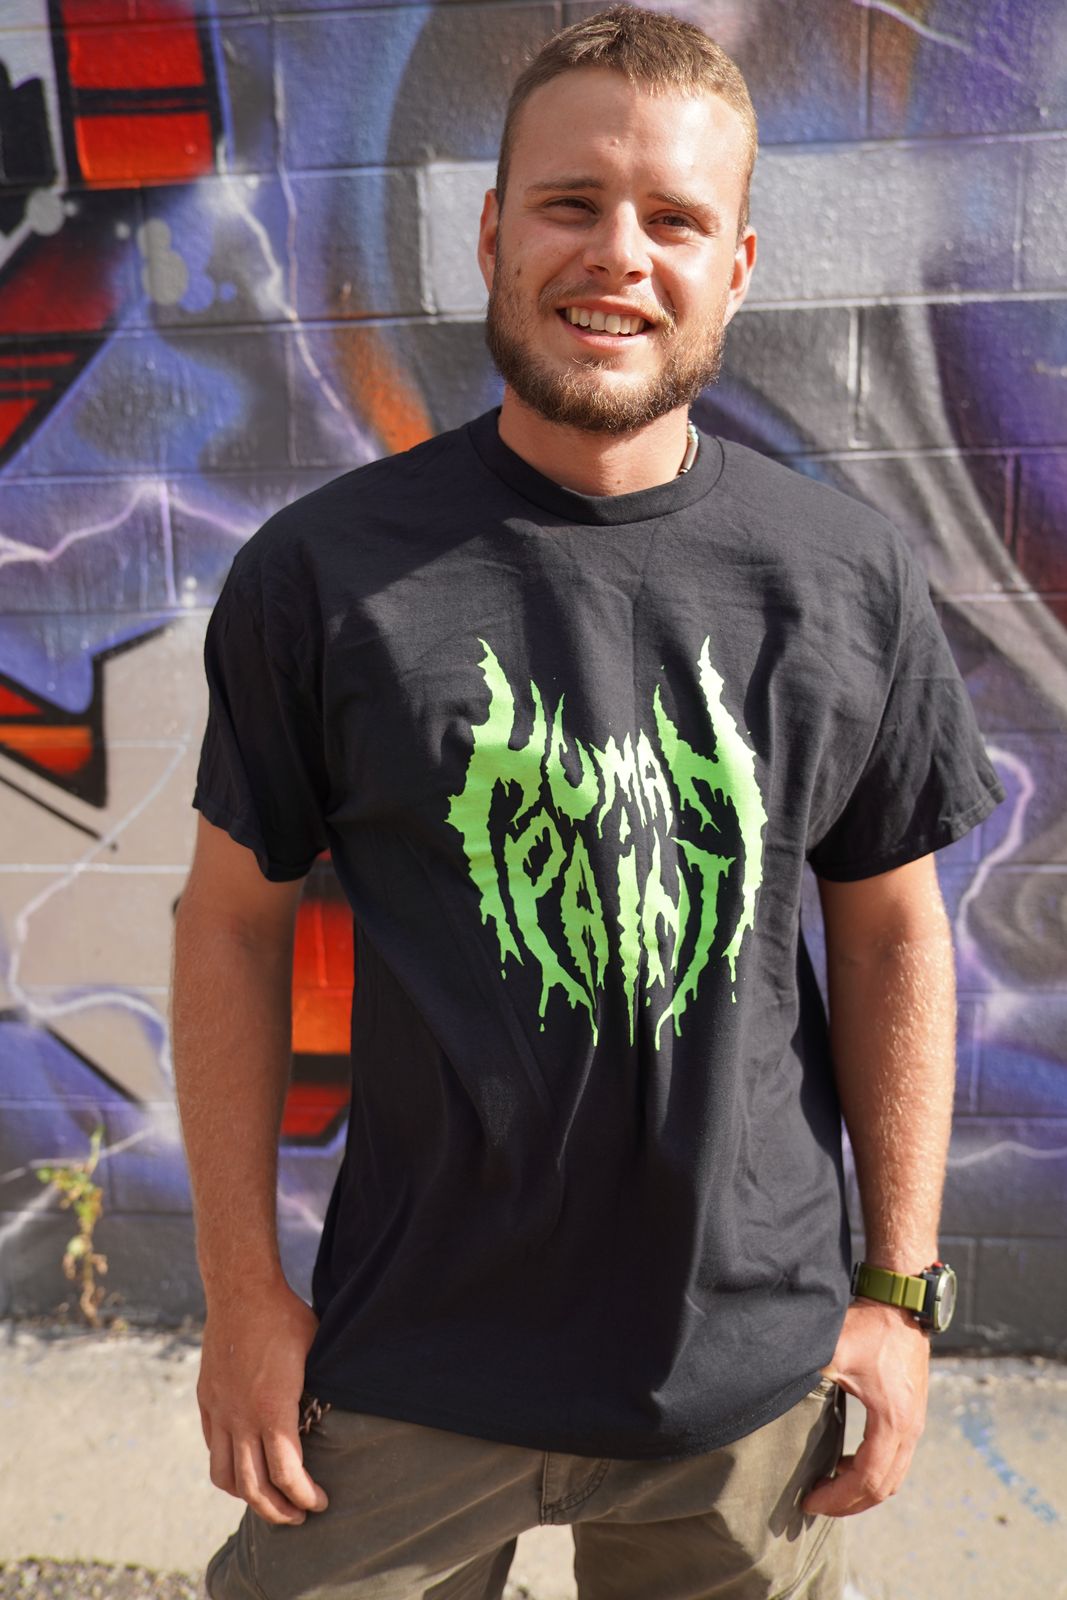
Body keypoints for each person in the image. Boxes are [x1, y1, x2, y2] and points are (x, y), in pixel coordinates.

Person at [172, 8, 1003, 1597]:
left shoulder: (843, 577)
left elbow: (894, 937)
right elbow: (229, 926)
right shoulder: (323, 576)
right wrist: (241, 1295)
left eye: (674, 218)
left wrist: (898, 1297)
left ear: (735, 267)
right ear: (492, 233)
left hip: (745, 1387)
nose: (618, 252)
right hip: (405, 1367)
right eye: (571, 203)